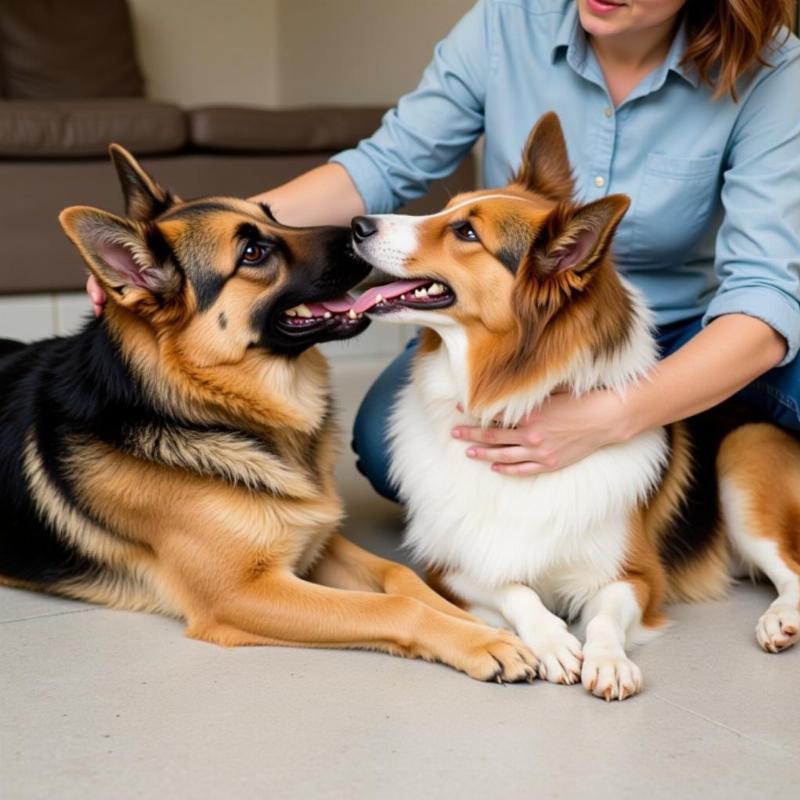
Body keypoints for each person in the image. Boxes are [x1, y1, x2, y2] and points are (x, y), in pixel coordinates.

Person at [88, 0, 800, 503]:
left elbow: (765, 296)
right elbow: (384, 164)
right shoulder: (505, 21)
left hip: (678, 333)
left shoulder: (774, 73)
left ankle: (691, 466)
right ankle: (678, 468)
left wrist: (611, 417)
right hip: (510, 327)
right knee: (386, 446)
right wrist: (191, 246)